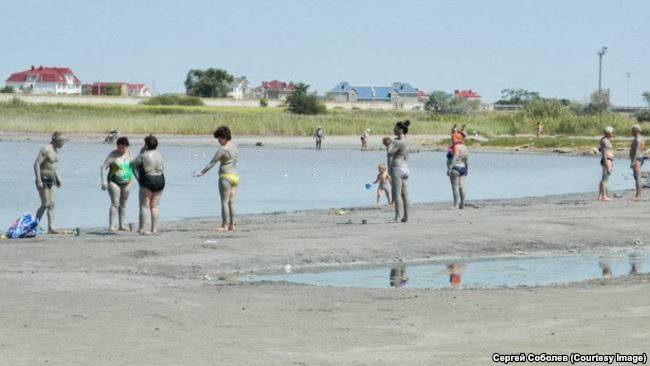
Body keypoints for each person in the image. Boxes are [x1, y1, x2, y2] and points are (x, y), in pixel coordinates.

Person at [194, 126, 239, 231]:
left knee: (224, 201)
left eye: (219, 138)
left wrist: (201, 172)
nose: (218, 141)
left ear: (224, 137)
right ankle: (232, 224)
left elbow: (212, 163)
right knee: (232, 202)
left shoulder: (223, 149)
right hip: (235, 177)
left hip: (226, 177)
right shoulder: (235, 146)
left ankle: (224, 225)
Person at [130, 135, 165, 235]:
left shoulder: (144, 155)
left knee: (144, 206)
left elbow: (131, 165)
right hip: (160, 179)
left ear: (146, 145)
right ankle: (154, 229)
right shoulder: (160, 155)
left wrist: (141, 152)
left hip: (148, 179)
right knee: (155, 206)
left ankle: (142, 229)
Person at [34, 131, 67, 234]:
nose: (63, 144)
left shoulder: (56, 150)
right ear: (57, 141)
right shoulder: (46, 149)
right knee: (45, 204)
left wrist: (58, 177)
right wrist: (39, 180)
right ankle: (35, 225)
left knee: (52, 204)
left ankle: (51, 227)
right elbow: (36, 164)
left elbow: (53, 166)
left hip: (52, 179)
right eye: (63, 141)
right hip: (43, 179)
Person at [100, 136, 134, 232]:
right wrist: (103, 181)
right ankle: (111, 226)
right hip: (114, 182)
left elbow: (135, 168)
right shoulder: (112, 155)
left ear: (127, 146)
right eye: (119, 147)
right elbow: (103, 167)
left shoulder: (130, 154)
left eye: (123, 147)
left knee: (123, 204)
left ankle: (122, 225)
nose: (121, 149)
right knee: (115, 203)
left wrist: (140, 180)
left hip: (128, 182)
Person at [388, 120, 411, 222]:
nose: (393, 129)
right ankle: (406, 216)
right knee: (405, 193)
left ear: (401, 130)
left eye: (395, 128)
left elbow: (390, 152)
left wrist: (389, 143)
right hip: (405, 167)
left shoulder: (397, 142)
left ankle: (397, 217)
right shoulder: (406, 141)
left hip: (397, 167)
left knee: (397, 193)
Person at [447, 133, 469, 209]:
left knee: (455, 187)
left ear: (455, 138)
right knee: (461, 187)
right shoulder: (464, 147)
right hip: (463, 168)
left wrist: (450, 168)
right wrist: (467, 168)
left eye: (453, 138)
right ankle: (462, 204)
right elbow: (466, 159)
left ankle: (456, 205)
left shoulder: (456, 146)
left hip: (455, 168)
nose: (452, 140)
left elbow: (455, 156)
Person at [597, 126, 614, 201]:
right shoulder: (605, 141)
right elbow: (604, 153)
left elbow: (600, 149)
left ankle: (600, 195)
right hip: (607, 160)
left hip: (606, 160)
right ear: (609, 133)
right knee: (605, 179)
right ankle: (604, 196)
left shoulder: (604, 140)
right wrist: (607, 165)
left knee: (603, 179)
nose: (613, 133)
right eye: (612, 132)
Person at [629, 125, 645, 201]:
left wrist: (633, 161)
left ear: (636, 131)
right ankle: (637, 194)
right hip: (639, 158)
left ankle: (639, 196)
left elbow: (637, 151)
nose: (631, 131)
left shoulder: (637, 139)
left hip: (637, 159)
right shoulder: (641, 138)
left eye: (632, 130)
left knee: (637, 177)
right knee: (636, 177)